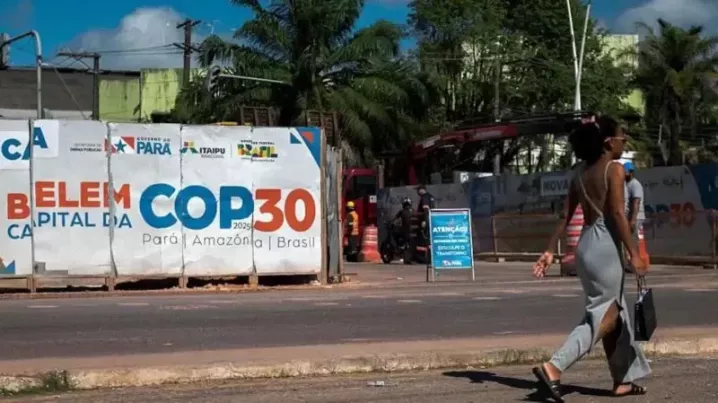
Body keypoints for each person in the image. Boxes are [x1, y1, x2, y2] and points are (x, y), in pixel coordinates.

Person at [532, 115, 650, 401]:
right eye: (622, 137)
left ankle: (622, 380)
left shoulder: (580, 174)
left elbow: (565, 215)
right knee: (604, 314)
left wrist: (549, 251)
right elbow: (618, 214)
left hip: (586, 246)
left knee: (613, 314)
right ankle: (554, 367)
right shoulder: (614, 169)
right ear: (608, 142)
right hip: (605, 246)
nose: (625, 142)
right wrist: (634, 253)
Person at [623, 161, 645, 273]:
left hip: (636, 217)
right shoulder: (627, 184)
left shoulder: (635, 185)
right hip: (630, 217)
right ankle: (629, 263)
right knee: (629, 240)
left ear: (630, 172)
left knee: (633, 240)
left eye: (625, 172)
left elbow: (636, 203)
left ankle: (635, 263)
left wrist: (633, 220)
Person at [392, 197, 414, 262]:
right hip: (413, 231)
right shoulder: (413, 211)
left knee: (394, 233)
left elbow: (395, 218)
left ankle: (400, 246)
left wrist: (391, 222)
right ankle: (402, 246)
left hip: (405, 231)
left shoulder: (402, 211)